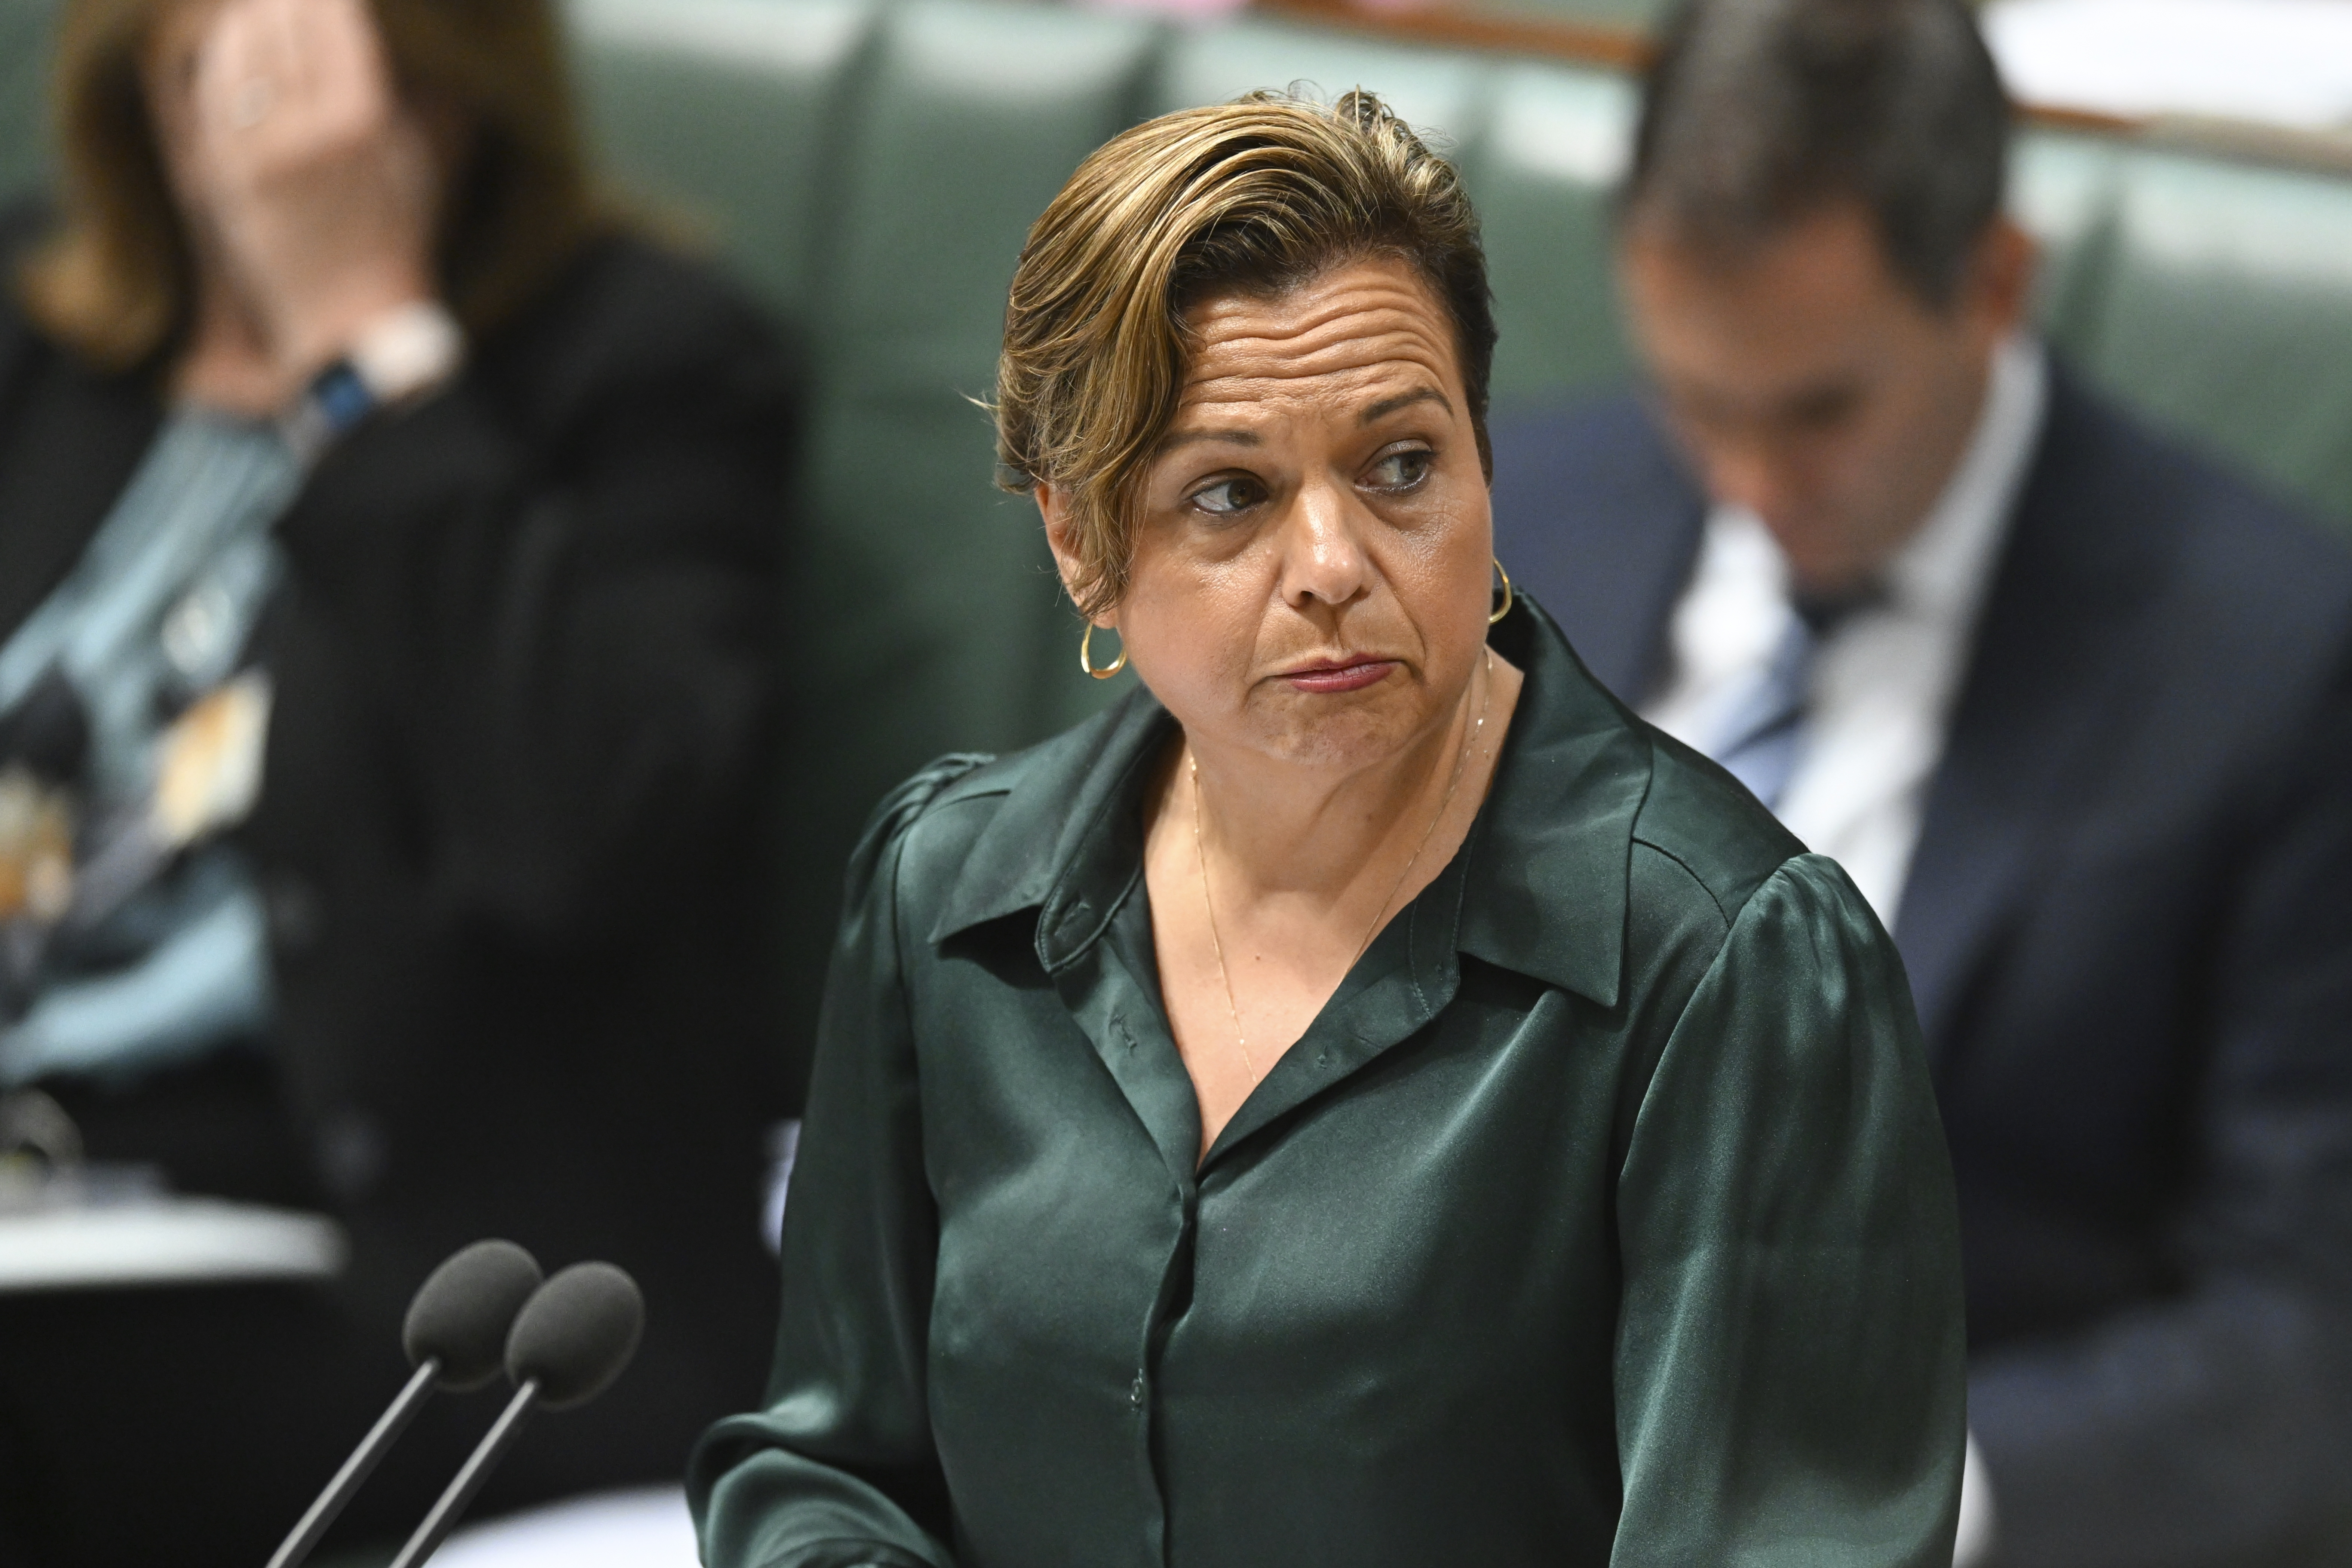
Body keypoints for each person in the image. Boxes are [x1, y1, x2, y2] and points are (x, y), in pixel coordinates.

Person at [689, 89, 1965, 1568]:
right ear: (1077, 541)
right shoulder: (947, 893)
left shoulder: (1726, 967)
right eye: (1228, 493)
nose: (1333, 563)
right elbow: (831, 1461)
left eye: (1401, 465)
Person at [1485, 0, 2352, 1563]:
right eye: (1695, 399)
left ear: (1994, 285)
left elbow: (2303, 1332)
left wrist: (1885, 1499)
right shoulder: (1513, 516)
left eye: (1818, 411)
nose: (1750, 486)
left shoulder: (2279, 666)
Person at [0, 0, 800, 1561]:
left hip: (376, 1274)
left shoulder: (647, 365)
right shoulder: (42, 325)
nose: (258, 132)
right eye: (214, 78)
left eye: (318, 88)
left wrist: (359, 342)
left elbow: (582, 830)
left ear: (444, 97)